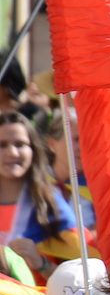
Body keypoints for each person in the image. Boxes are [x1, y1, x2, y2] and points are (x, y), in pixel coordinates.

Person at [0, 111, 75, 279]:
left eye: (20, 144)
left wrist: (41, 264)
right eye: (2, 145)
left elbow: (80, 280)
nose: (12, 153)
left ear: (33, 149)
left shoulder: (52, 206)